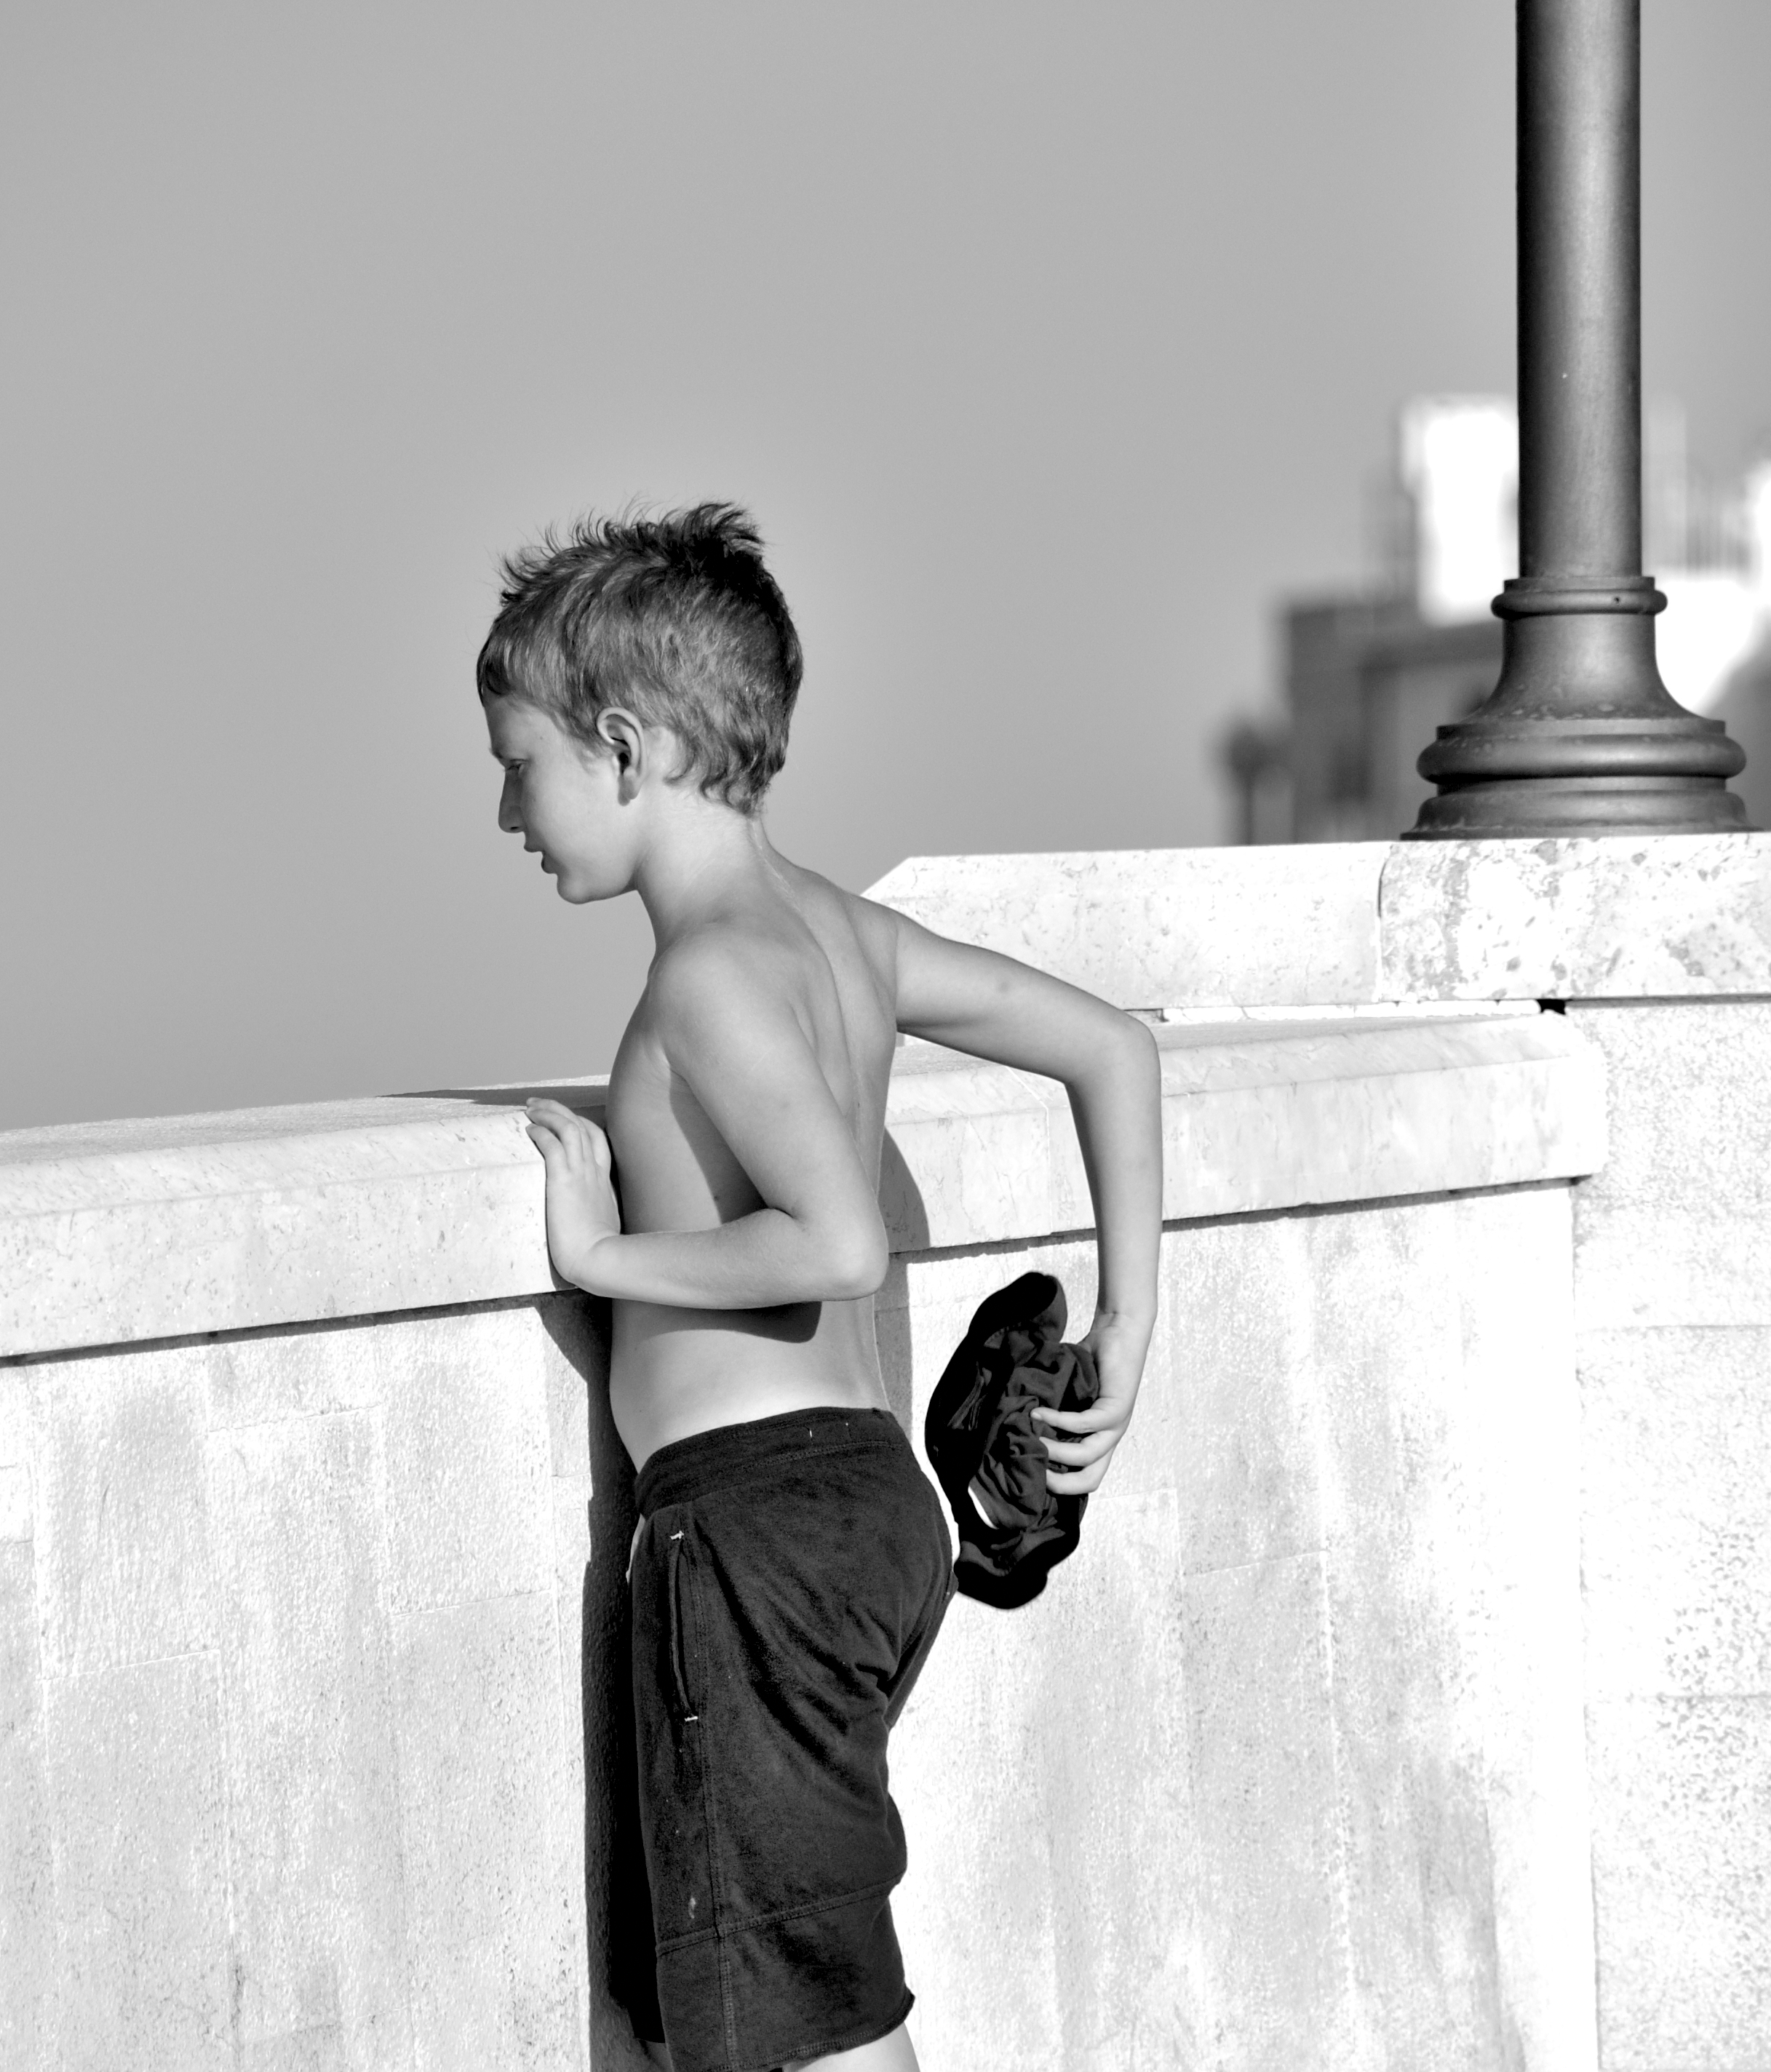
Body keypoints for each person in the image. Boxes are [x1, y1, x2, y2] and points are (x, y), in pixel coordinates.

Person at [478, 503, 1161, 2072]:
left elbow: (835, 1238)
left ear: (626, 744)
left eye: (519, 760)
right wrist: (1124, 1327)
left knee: (816, 2026)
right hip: (851, 1515)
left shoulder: (707, 971)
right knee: (699, 2018)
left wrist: (598, 1257)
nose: (506, 807)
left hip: (754, 1533)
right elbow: (1111, 1047)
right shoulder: (846, 936)